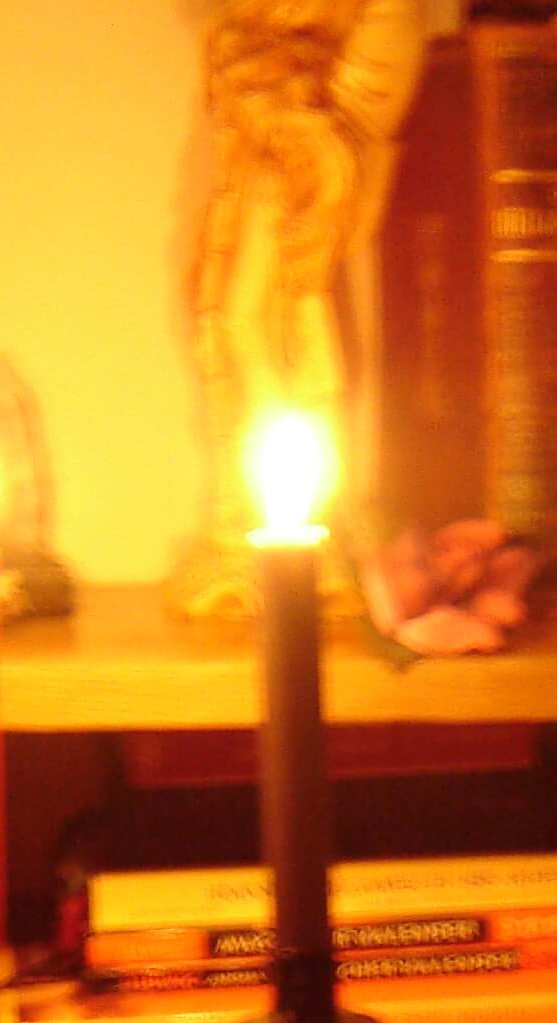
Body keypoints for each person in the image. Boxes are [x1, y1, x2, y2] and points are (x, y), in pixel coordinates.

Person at [173, 0, 427, 613]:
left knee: (252, 319)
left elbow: (381, 56)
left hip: (290, 154)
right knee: (238, 319)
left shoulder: (323, 55)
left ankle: (281, 495)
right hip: (266, 148)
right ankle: (255, 505)